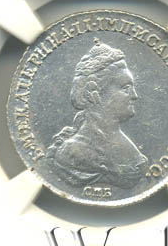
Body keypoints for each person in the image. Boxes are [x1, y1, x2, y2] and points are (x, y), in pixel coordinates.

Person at [47, 39, 148, 188]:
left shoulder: (122, 142)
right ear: (94, 93)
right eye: (125, 88)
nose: (134, 95)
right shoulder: (73, 152)